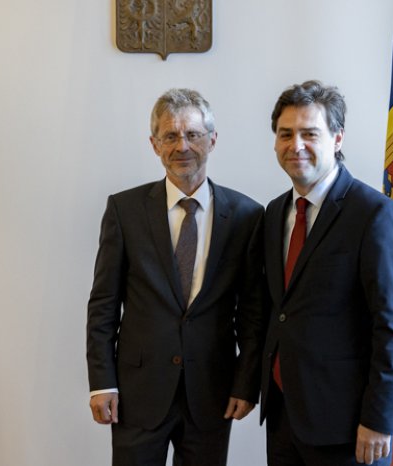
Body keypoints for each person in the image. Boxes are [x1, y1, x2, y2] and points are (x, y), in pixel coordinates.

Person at [86, 88, 265, 466]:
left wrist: (246, 382)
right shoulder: (124, 210)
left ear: (212, 140)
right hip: (138, 393)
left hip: (212, 393)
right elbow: (103, 304)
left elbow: (252, 313)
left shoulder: (247, 216)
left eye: (193, 134)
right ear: (155, 144)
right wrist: (102, 383)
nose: (182, 146)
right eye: (170, 136)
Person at [259, 80, 393, 466]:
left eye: (310, 133)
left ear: (337, 138)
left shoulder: (376, 215)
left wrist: (379, 419)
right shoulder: (274, 213)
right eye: (286, 134)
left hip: (350, 427)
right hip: (284, 418)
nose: (296, 145)